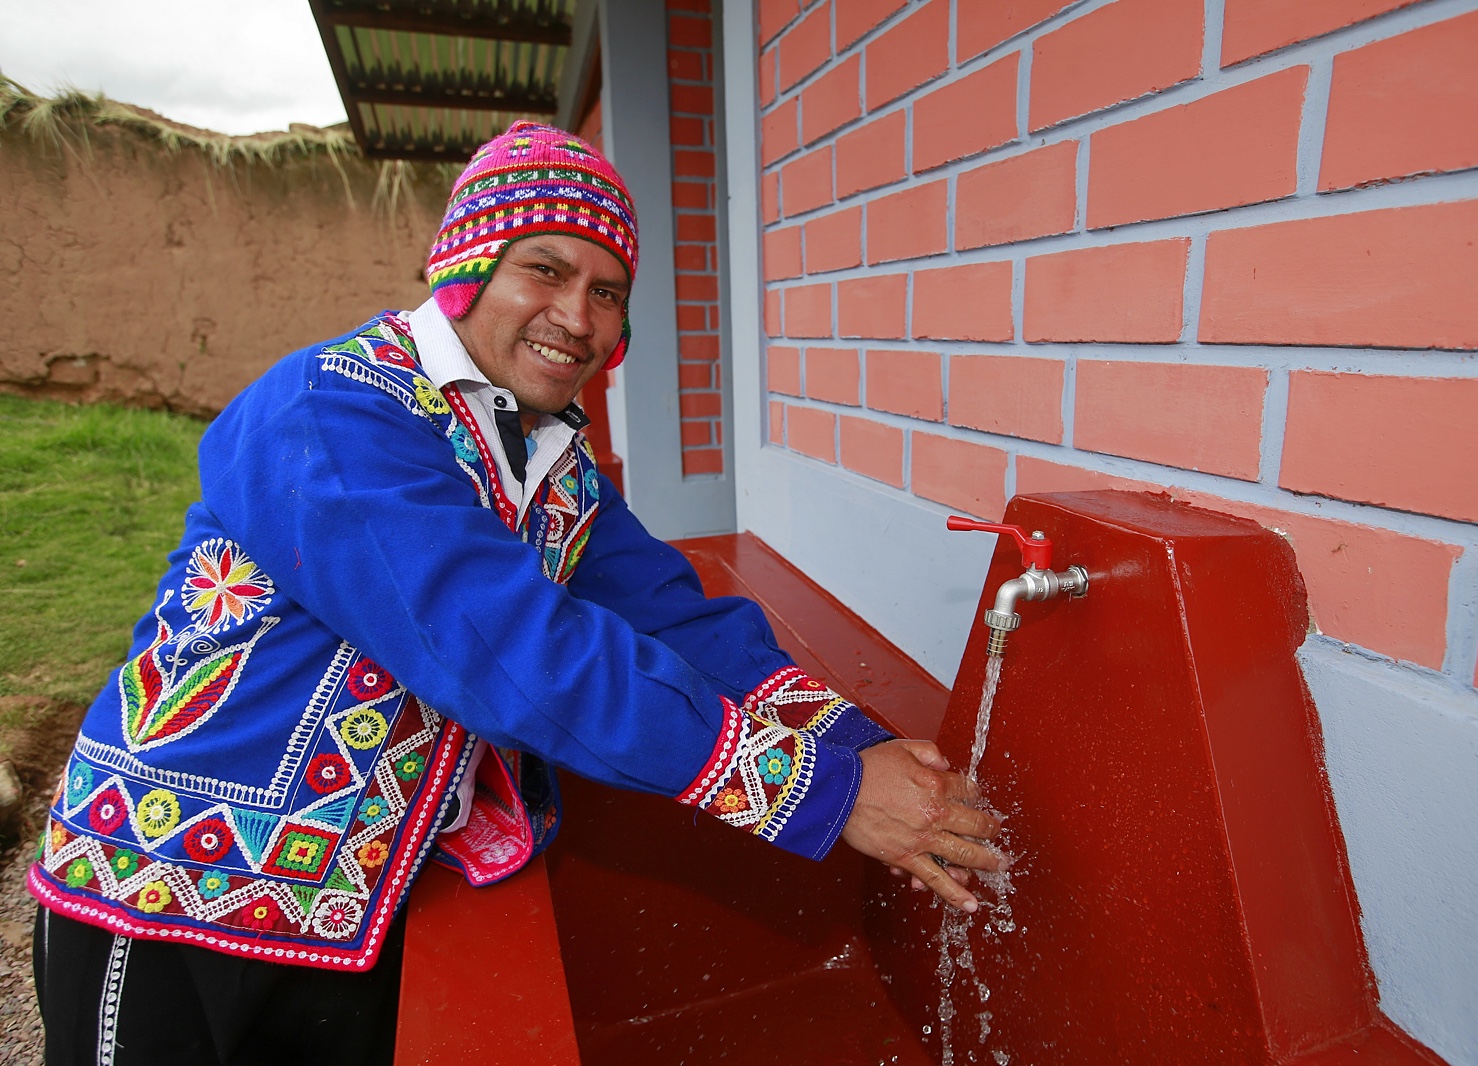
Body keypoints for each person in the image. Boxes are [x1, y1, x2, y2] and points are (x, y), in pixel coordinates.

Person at [28, 122, 1001, 1064]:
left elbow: (682, 619)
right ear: (463, 268)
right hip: (164, 893)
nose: (577, 316)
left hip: (354, 897)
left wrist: (861, 748)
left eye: (608, 291)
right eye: (543, 269)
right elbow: (500, 648)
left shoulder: (551, 465)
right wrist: (820, 793)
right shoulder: (333, 410)